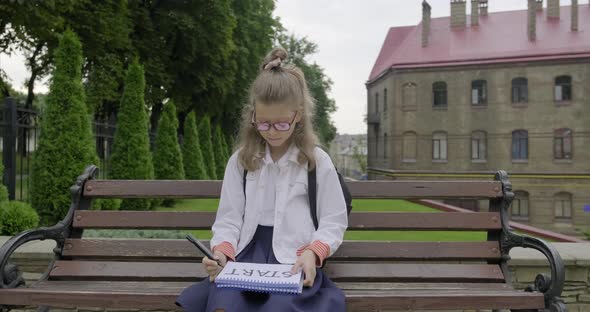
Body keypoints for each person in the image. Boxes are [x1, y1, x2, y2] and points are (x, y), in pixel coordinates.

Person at [175, 47, 348, 312]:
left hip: (295, 257)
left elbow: (333, 220)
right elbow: (229, 219)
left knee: (279, 307)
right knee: (225, 305)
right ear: (252, 116)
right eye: (264, 123)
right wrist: (221, 253)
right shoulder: (241, 161)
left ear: (298, 115)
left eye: (282, 124)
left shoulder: (317, 161)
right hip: (244, 256)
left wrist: (313, 253)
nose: (272, 132)